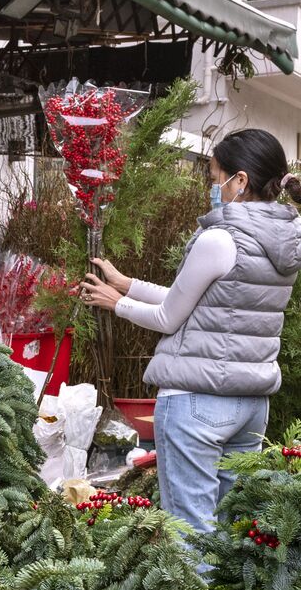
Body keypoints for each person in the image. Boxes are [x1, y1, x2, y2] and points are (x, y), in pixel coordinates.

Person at [79, 129, 301, 536]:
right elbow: (202, 301)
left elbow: (169, 317)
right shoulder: (287, 238)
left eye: (215, 178)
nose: (212, 188)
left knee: (190, 537)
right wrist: (128, 284)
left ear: (240, 181)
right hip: (251, 403)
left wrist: (116, 304)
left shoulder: (220, 237)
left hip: (198, 401)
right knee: (234, 535)